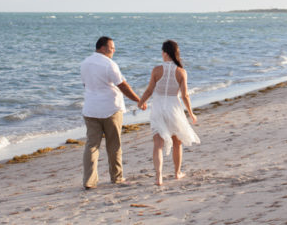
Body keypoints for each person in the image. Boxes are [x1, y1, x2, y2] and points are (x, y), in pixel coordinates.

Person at [80, 36, 143, 190]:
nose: (114, 50)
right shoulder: (109, 64)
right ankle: (117, 177)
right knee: (113, 144)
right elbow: (122, 85)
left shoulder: (85, 63)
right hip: (110, 109)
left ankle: (89, 181)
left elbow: (85, 84)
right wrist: (138, 100)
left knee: (91, 145)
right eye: (111, 47)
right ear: (102, 47)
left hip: (91, 108)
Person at [138, 40, 200, 186]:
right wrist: (191, 113)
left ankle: (158, 177)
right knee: (177, 142)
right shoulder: (181, 72)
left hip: (159, 107)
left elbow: (149, 90)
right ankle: (177, 173)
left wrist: (141, 102)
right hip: (174, 108)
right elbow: (185, 96)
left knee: (158, 144)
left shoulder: (156, 69)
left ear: (164, 53)